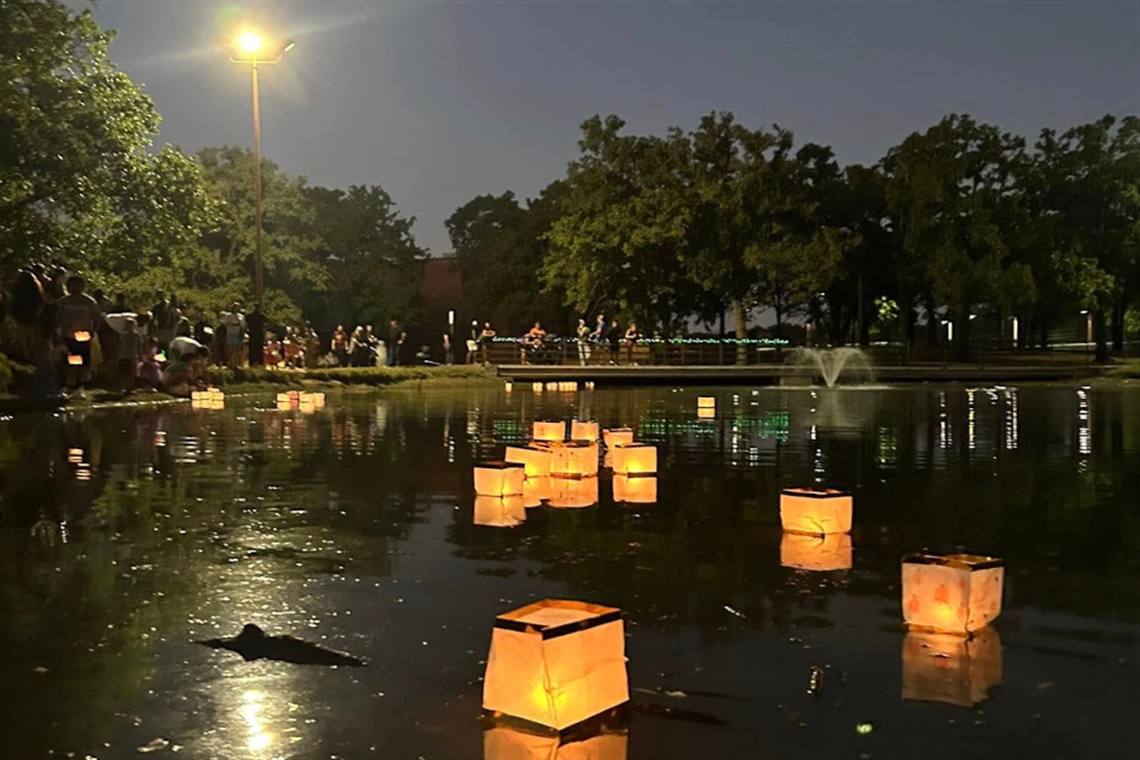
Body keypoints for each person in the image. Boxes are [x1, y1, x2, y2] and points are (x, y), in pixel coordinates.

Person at [56, 274, 103, 393]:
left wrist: (93, 331)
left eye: (79, 285)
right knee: (69, 360)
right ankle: (69, 383)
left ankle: (80, 384)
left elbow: (98, 318)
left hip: (83, 335)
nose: (76, 287)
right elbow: (56, 318)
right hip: (67, 335)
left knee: (83, 361)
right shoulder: (64, 301)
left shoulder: (89, 302)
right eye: (73, 285)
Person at [118, 317, 140, 393]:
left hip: (132, 356)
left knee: (130, 373)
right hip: (123, 355)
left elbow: (138, 345)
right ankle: (124, 386)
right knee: (124, 372)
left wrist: (139, 355)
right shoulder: (122, 335)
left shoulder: (136, 335)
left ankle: (129, 387)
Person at [221, 303, 246, 367]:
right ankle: (230, 362)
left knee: (237, 349)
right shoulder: (229, 315)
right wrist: (233, 325)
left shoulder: (240, 316)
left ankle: (236, 363)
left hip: (238, 333)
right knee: (231, 349)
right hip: (231, 332)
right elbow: (226, 323)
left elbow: (243, 325)